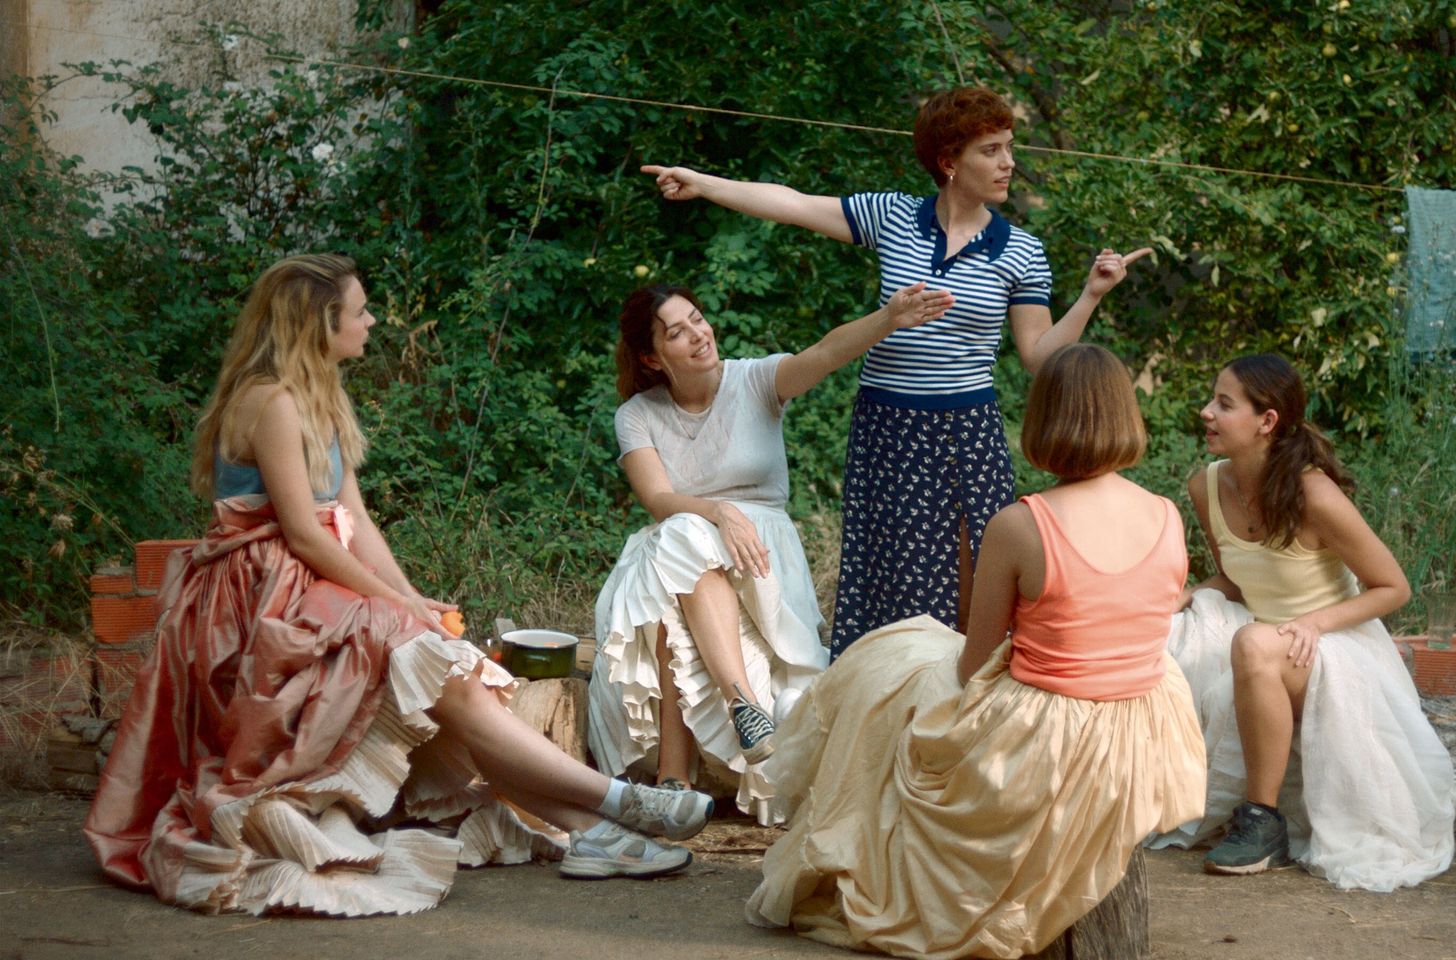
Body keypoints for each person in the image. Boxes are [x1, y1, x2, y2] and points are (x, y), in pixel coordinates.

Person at [83, 254, 719, 917]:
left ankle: (595, 831)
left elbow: (354, 519)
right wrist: (391, 607)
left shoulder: (317, 393)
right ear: (317, 323)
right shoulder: (270, 400)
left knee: (451, 676)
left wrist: (412, 597)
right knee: (442, 673)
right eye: (359, 311)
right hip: (264, 596)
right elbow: (302, 532)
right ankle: (617, 804)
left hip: (313, 584)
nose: (372, 320)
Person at [643, 86, 1151, 658]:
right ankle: (887, 711)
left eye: (1009, 148)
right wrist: (705, 184)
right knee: (893, 588)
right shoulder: (893, 216)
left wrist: (1090, 296)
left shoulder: (1022, 250)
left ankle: (966, 710)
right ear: (949, 161)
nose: (1009, 162)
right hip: (889, 429)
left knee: (975, 585)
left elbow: (1040, 358)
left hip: (967, 431)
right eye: (992, 150)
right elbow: (793, 203)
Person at [744, 344, 1207, 959]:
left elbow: (974, 662)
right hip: (1141, 733)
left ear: (1043, 420)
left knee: (890, 664)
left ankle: (859, 842)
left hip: (1051, 733)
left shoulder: (1021, 525)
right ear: (1127, 416)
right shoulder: (1168, 515)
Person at [589, 280, 955, 824]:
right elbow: (659, 499)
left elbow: (825, 353)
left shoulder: (756, 380)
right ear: (651, 356)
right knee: (676, 542)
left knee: (676, 557)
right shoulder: (637, 414)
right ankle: (741, 708)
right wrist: (717, 511)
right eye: (676, 332)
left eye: (697, 318)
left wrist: (888, 318)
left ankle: (677, 775)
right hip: (682, 551)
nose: (697, 334)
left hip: (760, 565)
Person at [1154, 354, 1455, 891]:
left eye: (1224, 404)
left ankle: (1263, 820)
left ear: (1267, 421)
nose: (1207, 413)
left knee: (1251, 643)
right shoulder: (1206, 486)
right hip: (1268, 641)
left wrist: (1316, 622)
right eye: (1212, 400)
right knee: (1172, 631)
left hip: (1337, 645)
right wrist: (1187, 595)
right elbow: (1237, 581)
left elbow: (1394, 588)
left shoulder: (1314, 493)